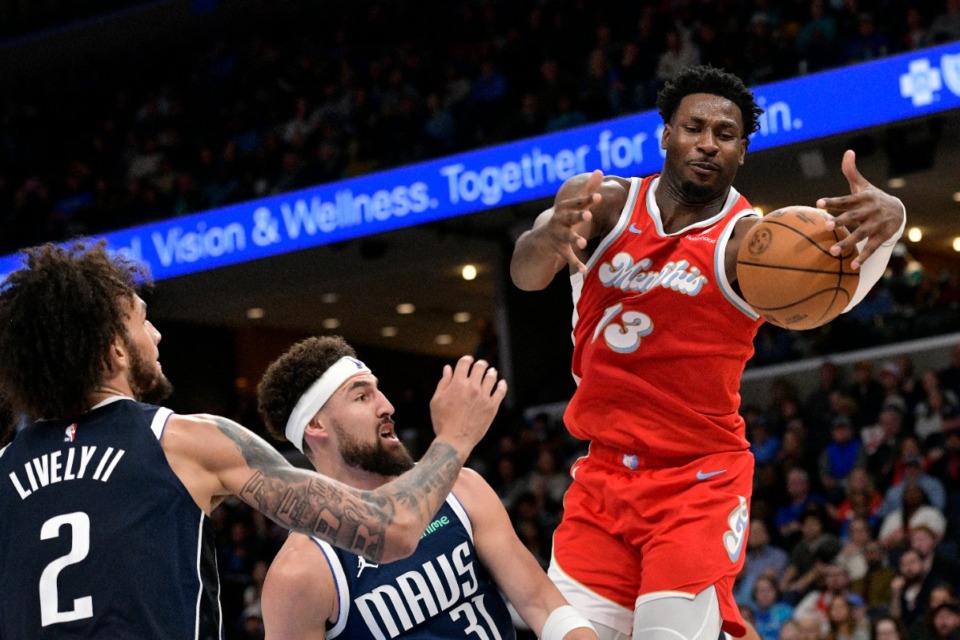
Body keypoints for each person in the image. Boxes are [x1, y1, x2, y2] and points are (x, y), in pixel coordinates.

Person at [509, 64, 906, 640]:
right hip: (603, 477)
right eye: (694, 127)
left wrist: (889, 226)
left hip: (697, 479)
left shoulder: (751, 243)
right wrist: (543, 239)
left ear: (742, 151)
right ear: (665, 133)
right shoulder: (608, 205)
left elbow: (831, 299)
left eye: (724, 135)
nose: (707, 143)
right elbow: (527, 275)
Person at [0, 241, 507, 639]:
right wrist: (456, 437)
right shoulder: (180, 440)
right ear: (114, 350)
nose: (156, 335)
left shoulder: (4, 468)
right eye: (141, 320)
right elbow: (391, 531)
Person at [255, 335, 598, 640]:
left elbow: (541, 603)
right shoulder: (299, 572)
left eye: (378, 390)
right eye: (361, 397)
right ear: (316, 424)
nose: (386, 407)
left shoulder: (463, 488)